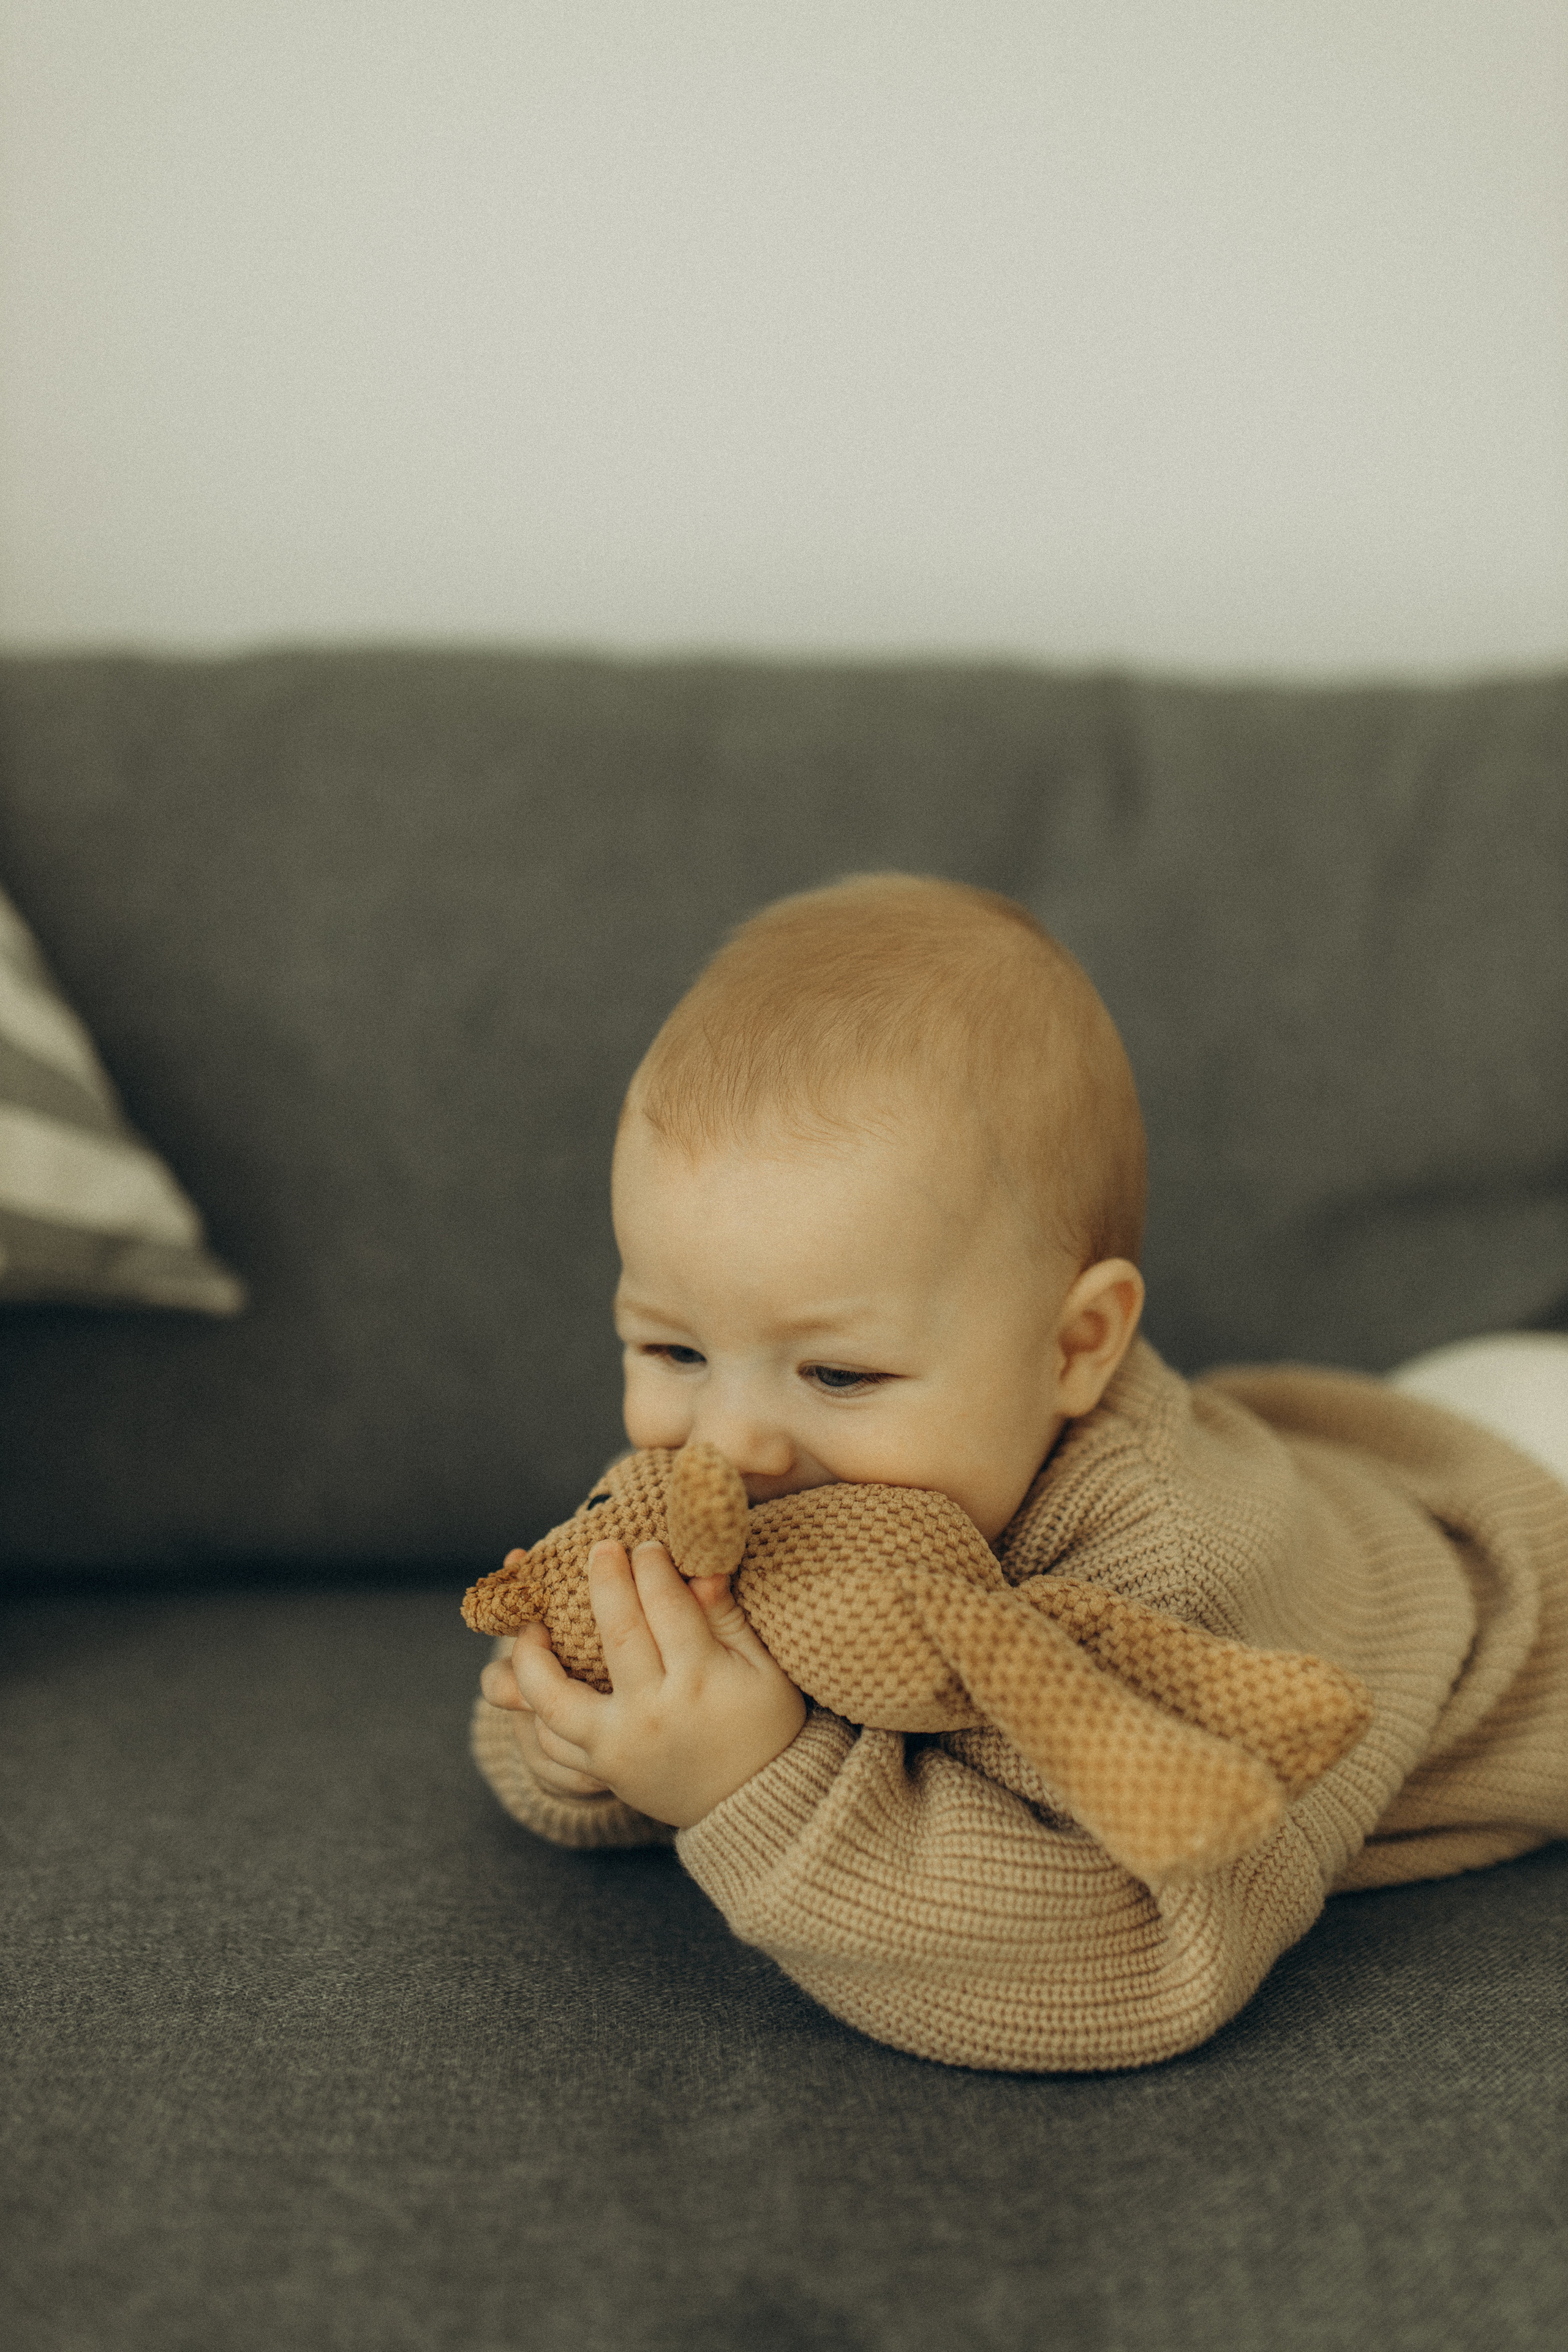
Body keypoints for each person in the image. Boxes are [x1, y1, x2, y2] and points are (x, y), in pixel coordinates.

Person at [473, 873, 1568, 2069]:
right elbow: (558, 1683)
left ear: (1075, 1347)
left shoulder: (1169, 1567)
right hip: (1398, 1439)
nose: (729, 1445)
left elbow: (1141, 1964)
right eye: (671, 1349)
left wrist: (753, 1785)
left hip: (1525, 1555)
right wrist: (585, 1749)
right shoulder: (734, 1470)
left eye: (838, 1375)